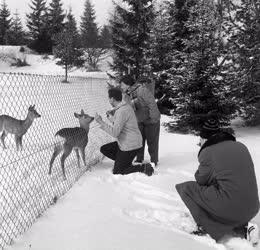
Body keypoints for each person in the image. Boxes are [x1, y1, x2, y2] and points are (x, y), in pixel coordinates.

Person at [175, 118, 260, 245]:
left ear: (205, 138)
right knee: (224, 189)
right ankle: (244, 227)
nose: (199, 142)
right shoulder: (241, 146)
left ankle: (208, 228)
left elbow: (201, 180)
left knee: (186, 188)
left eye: (200, 139)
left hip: (232, 207)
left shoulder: (208, 152)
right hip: (253, 207)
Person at [95, 87, 154, 176]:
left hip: (130, 145)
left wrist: (101, 122)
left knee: (118, 171)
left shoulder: (122, 111)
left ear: (112, 99)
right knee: (105, 149)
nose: (109, 100)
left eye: (109, 98)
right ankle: (123, 161)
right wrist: (110, 118)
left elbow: (115, 133)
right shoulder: (125, 107)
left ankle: (143, 168)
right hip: (128, 142)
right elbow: (121, 122)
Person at [120, 75, 161, 167]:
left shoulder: (142, 90)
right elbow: (126, 108)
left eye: (122, 85)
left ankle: (154, 161)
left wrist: (154, 119)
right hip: (139, 120)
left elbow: (152, 104)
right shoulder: (126, 95)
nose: (121, 87)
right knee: (139, 140)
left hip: (151, 119)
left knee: (152, 141)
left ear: (128, 84)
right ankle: (139, 159)